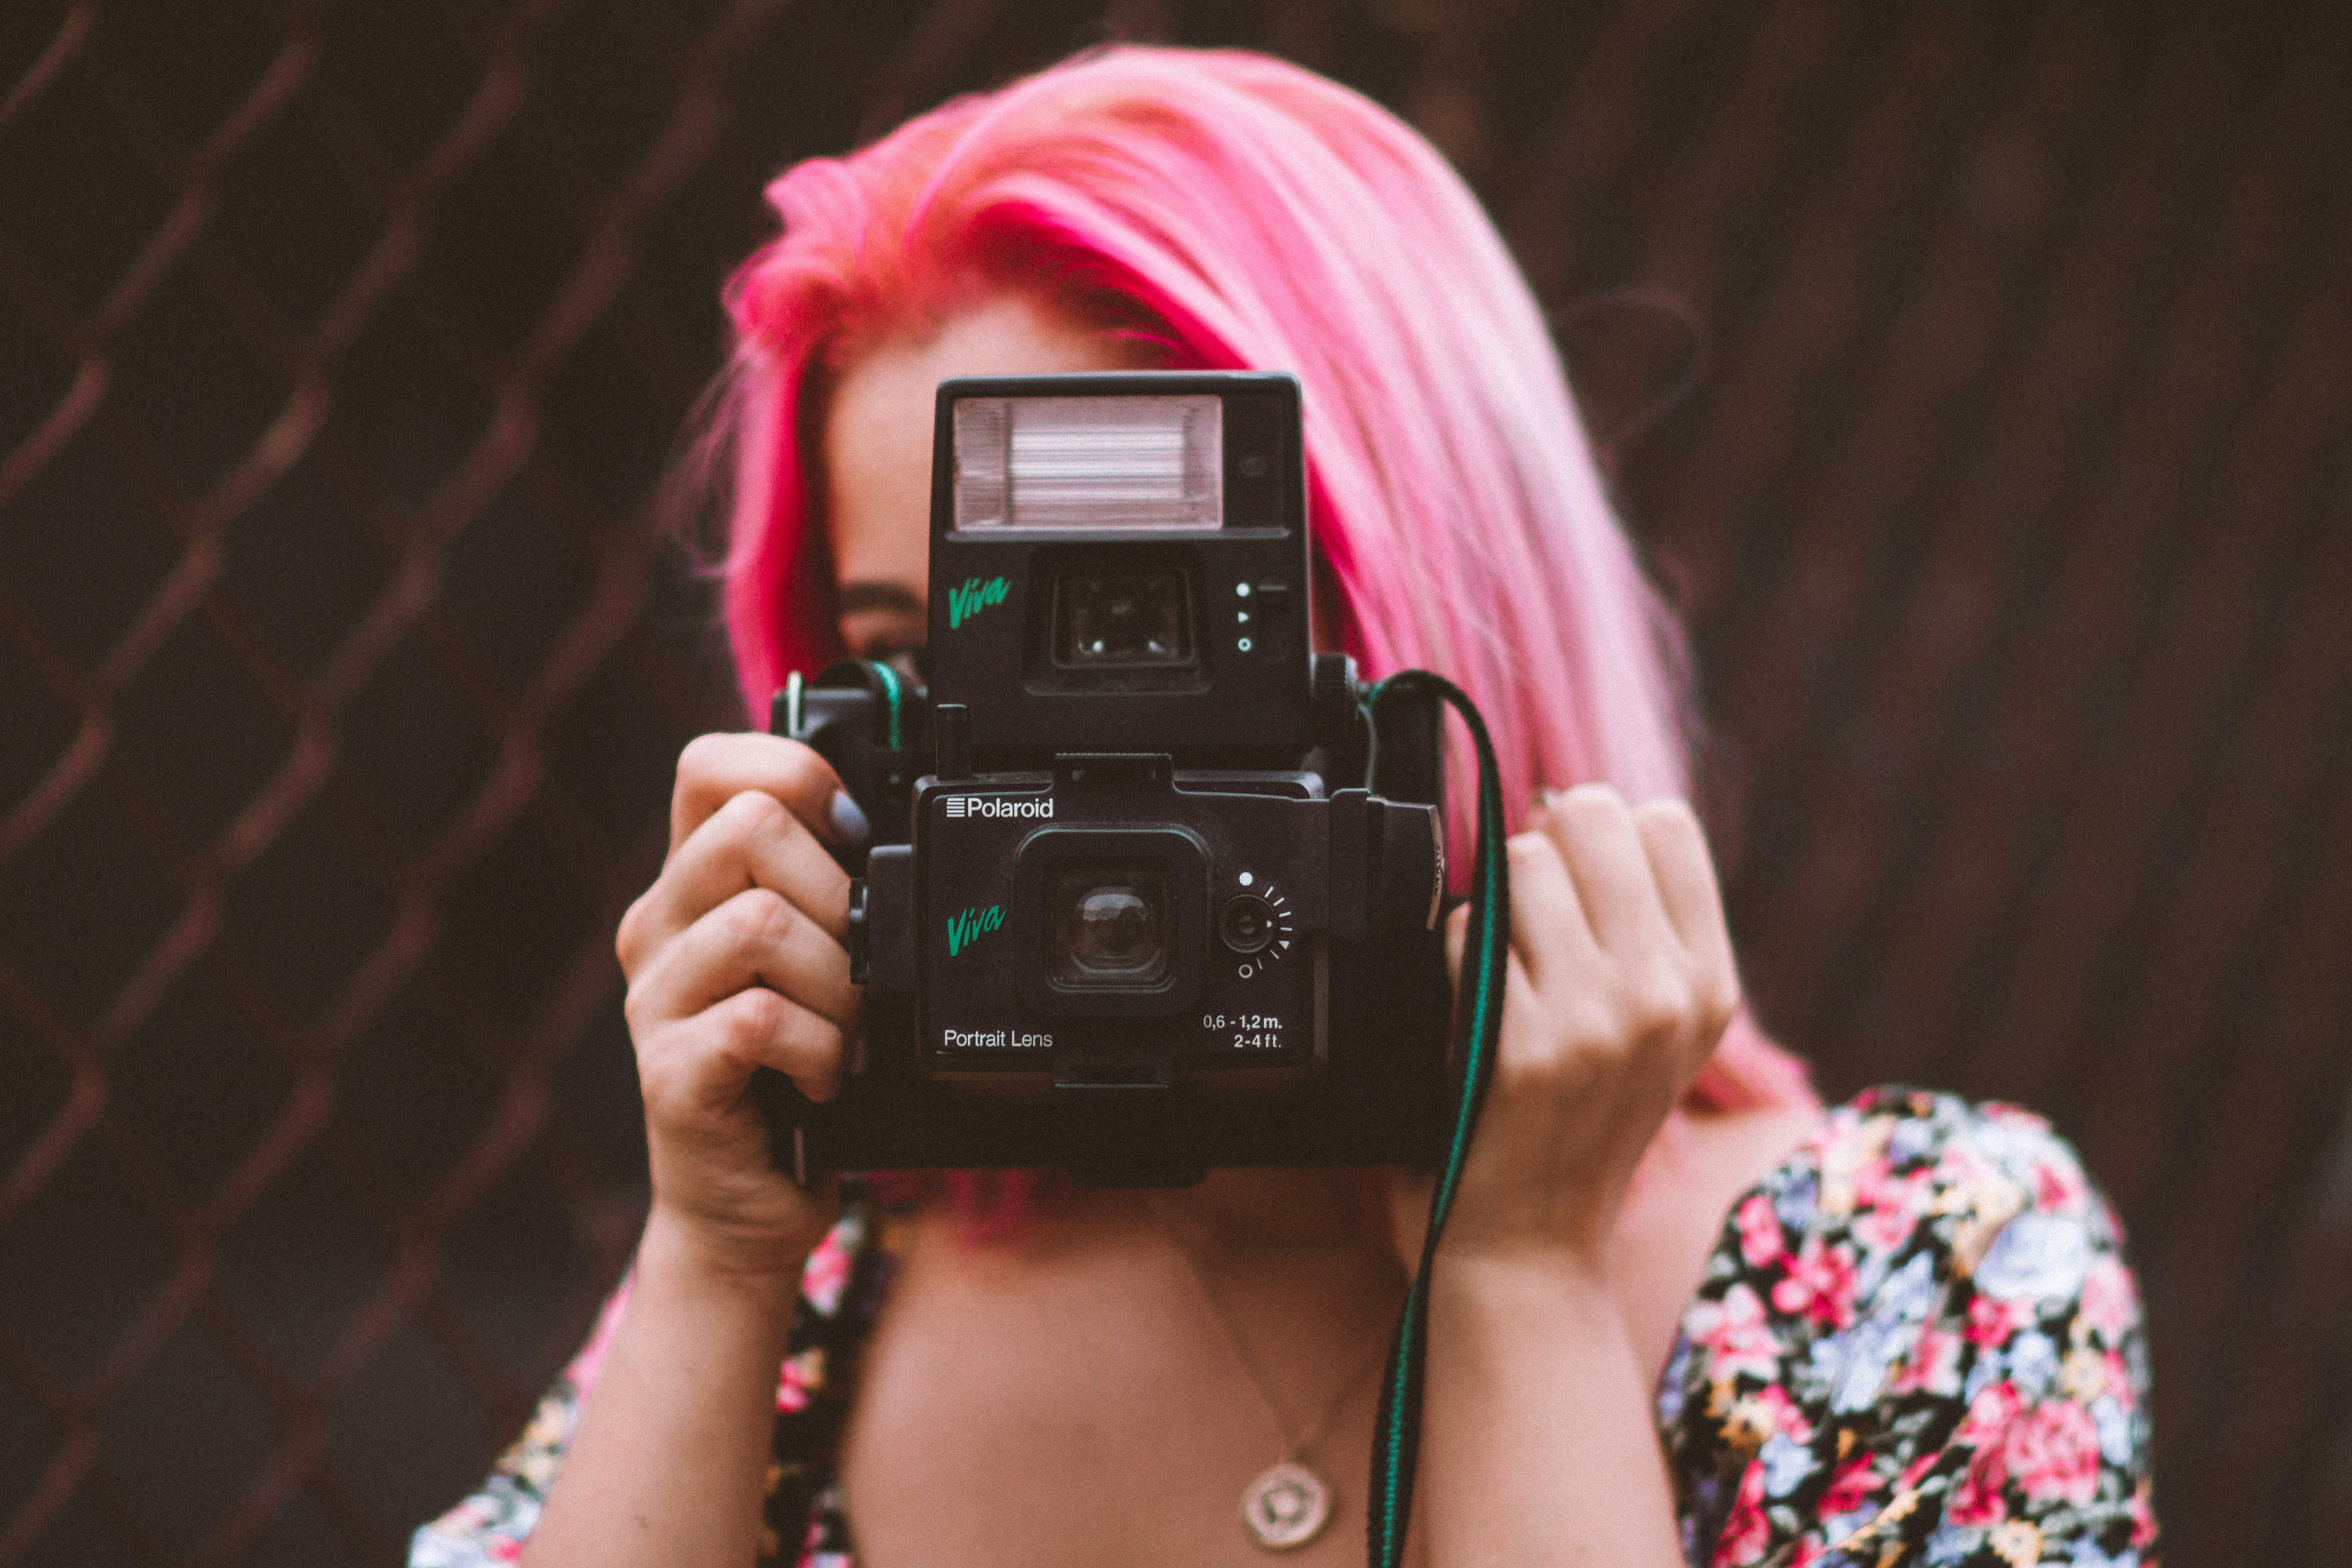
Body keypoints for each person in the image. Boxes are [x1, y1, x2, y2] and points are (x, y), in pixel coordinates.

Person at [412, 46, 2157, 1568]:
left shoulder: (1912, 1271)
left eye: (1152, 649)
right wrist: (716, 1256)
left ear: (1437, 629)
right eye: (938, 679)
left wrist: (1520, 1279)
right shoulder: (802, 1308)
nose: (1083, 793)